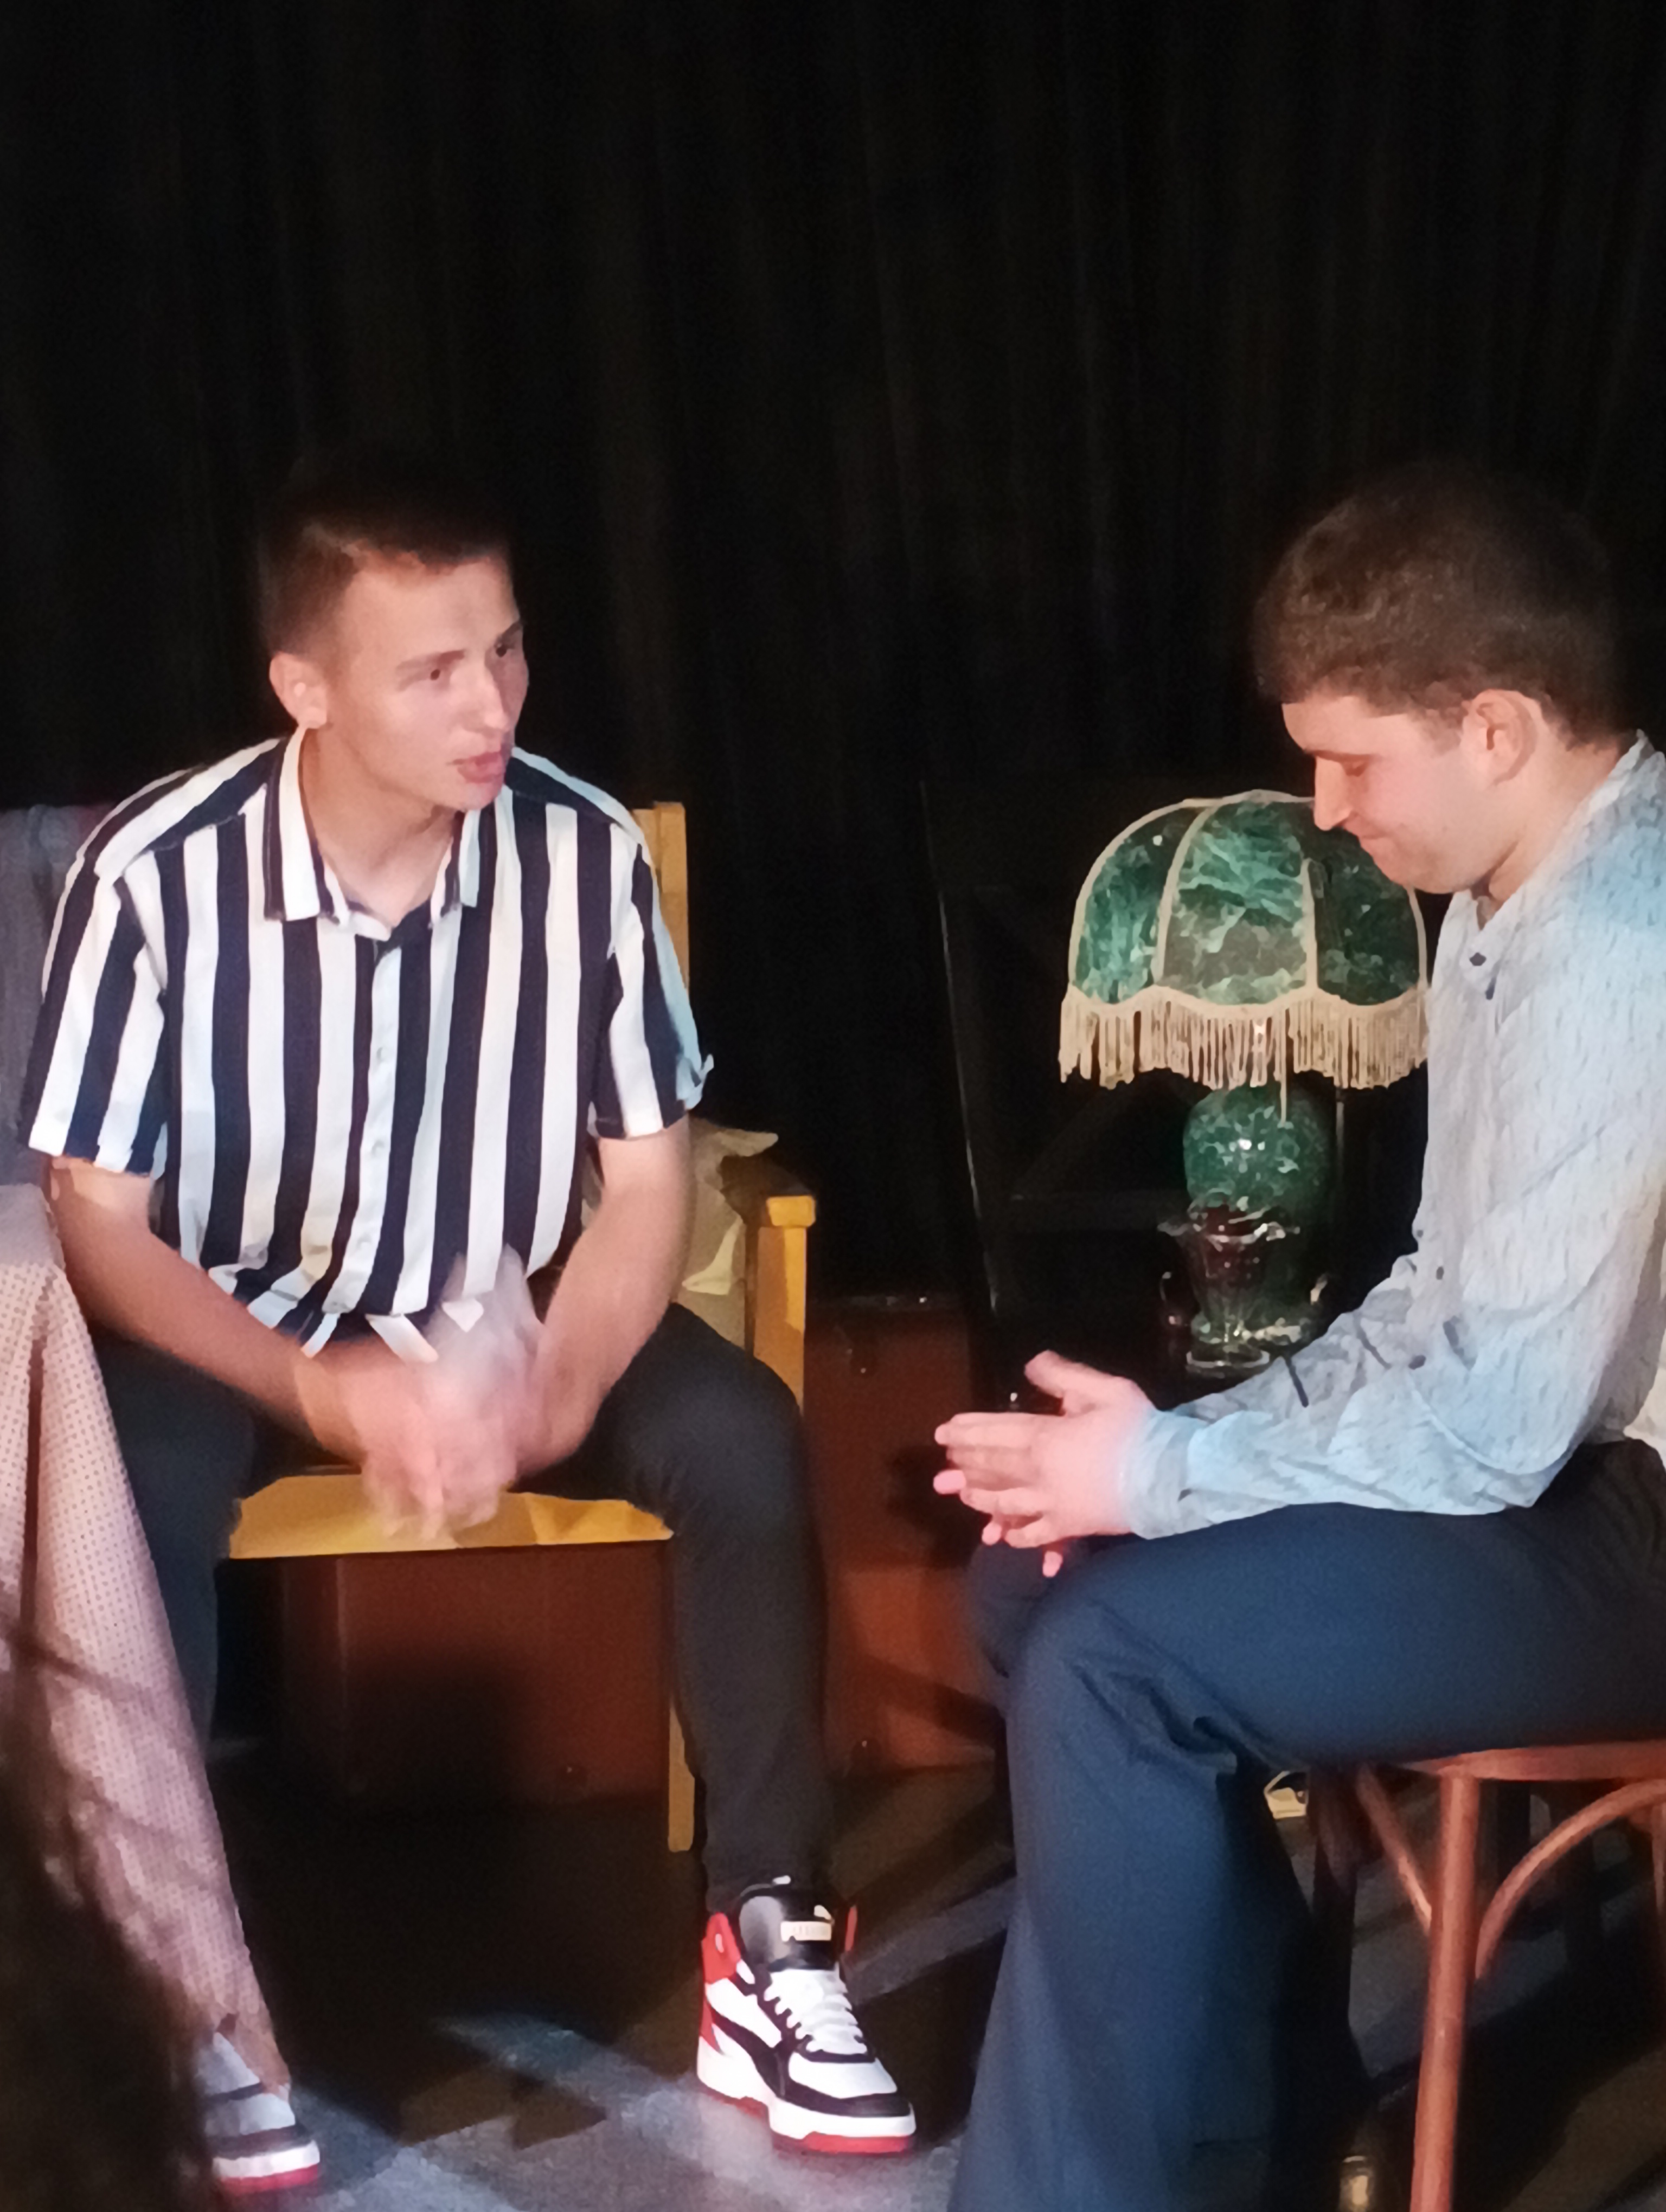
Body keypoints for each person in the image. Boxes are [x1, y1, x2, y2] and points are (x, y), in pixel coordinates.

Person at [21, 443, 913, 2157]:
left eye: (503, 649)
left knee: (738, 1437)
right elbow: (100, 1226)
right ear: (306, 687)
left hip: (503, 1314)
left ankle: (770, 1941)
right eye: (431, 670)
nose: (490, 703)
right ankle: (173, 1991)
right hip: (233, 1325)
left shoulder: (581, 854)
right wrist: (327, 1390)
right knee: (120, 1493)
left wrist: (559, 1384)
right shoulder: (155, 873)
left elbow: (648, 1182)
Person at [934, 462, 1666, 2209]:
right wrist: (1173, 1451)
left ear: (1496, 728)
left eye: (1354, 762)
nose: (1328, 812)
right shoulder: (1513, 900)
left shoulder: (1618, 944)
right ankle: (1264, 2128)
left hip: (1631, 1523)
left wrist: (1164, 1471)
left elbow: (1491, 1424)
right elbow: (1435, 1294)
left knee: (1115, 1659)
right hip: (1558, 1474)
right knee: (1035, 1581)